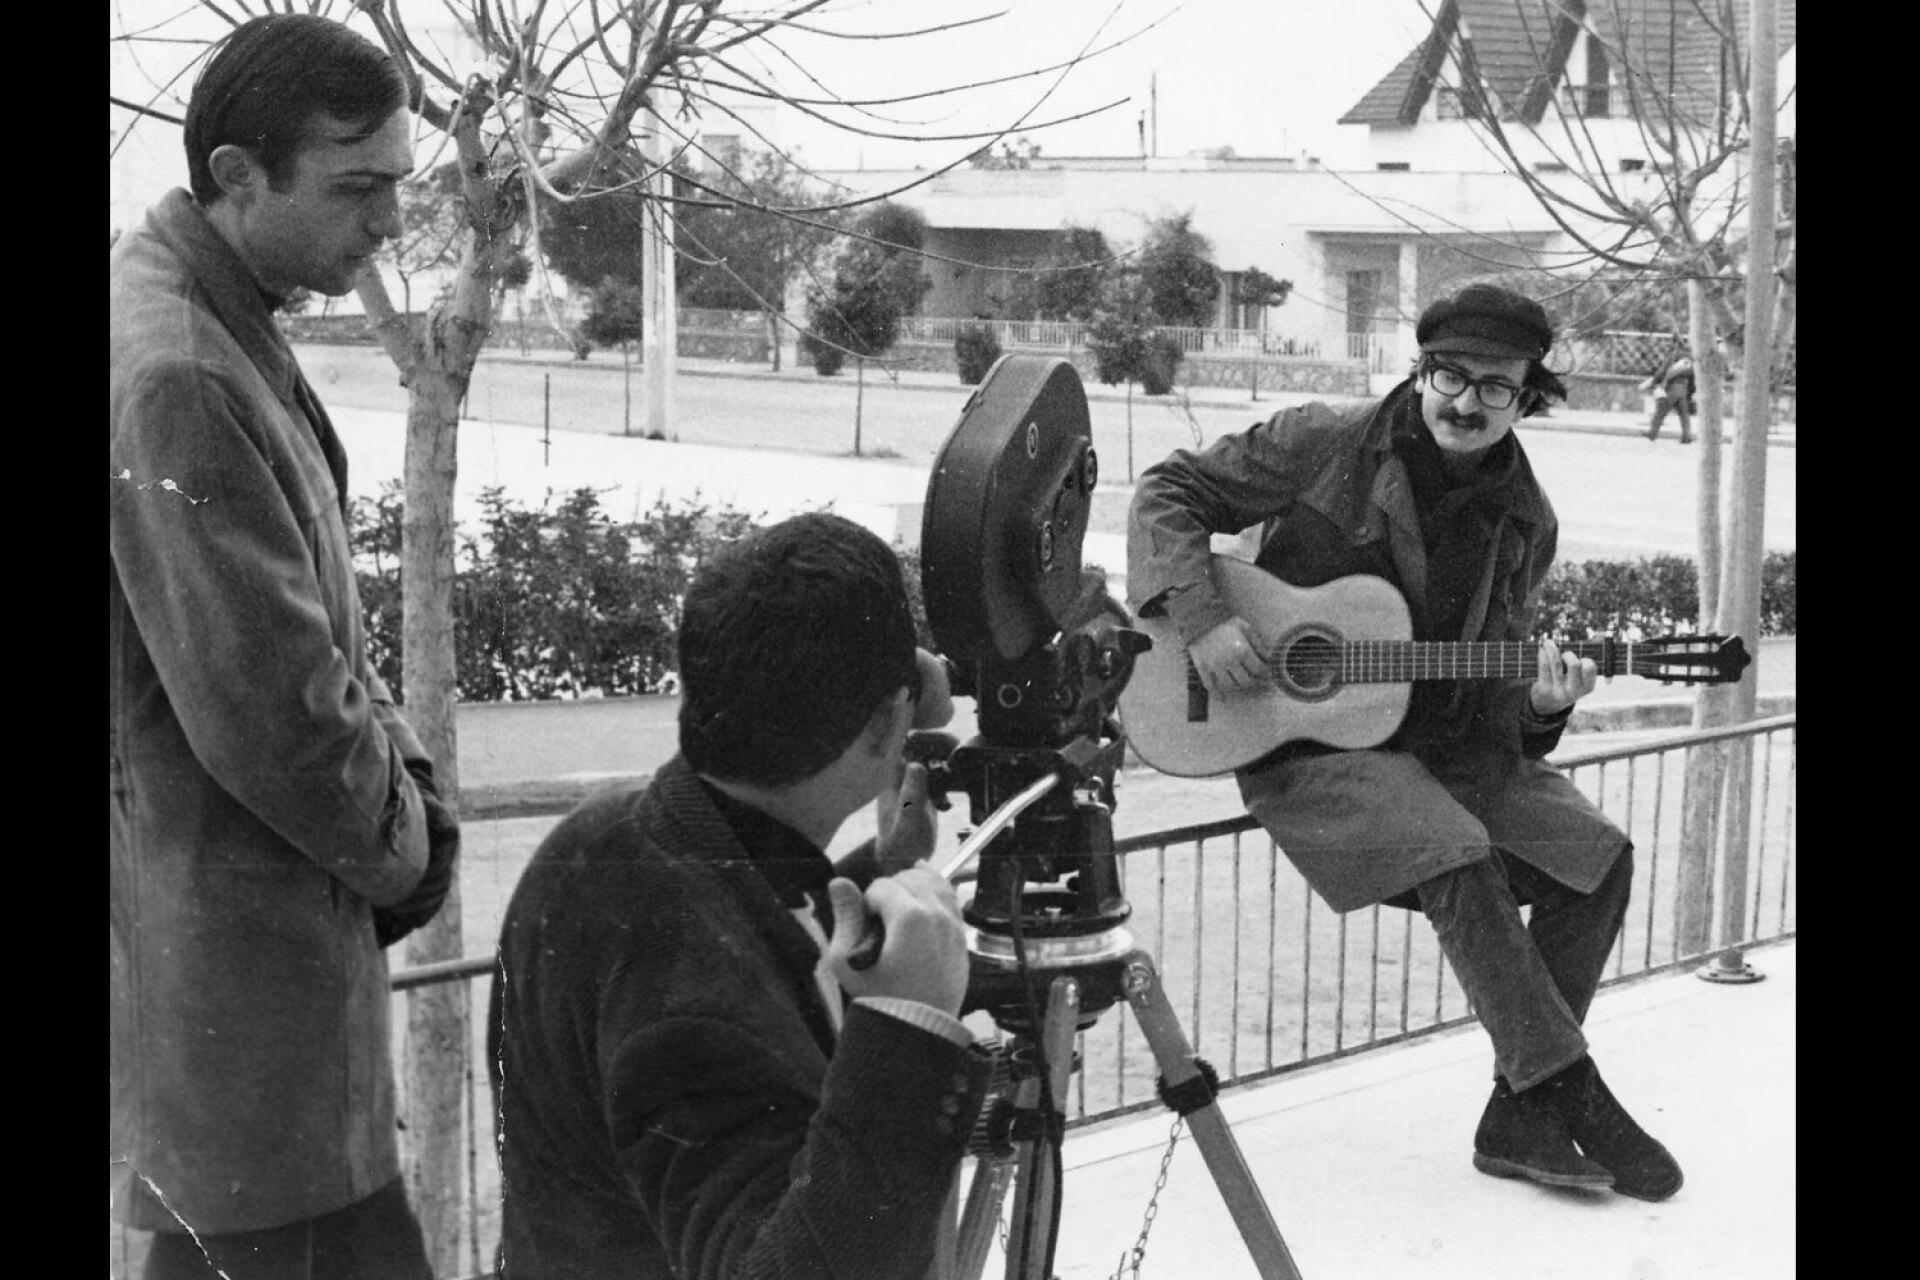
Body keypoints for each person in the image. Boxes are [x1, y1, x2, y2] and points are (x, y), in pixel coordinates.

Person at [1126, 283, 1683, 1202]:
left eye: (1494, 387)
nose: (1463, 403)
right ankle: (1568, 1087)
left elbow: (1502, 706)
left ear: (1527, 397)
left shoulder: (1524, 520)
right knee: (1449, 843)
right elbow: (1167, 492)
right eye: (1447, 375)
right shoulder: (1324, 441)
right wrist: (1207, 615)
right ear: (1419, 369)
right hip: (1302, 749)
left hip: (1443, 750)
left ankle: (1519, 1114)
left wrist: (1543, 708)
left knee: (1597, 860)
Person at [111, 14, 460, 1278]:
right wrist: (414, 844)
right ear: (236, 176)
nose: (386, 226)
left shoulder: (197, 308)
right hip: (242, 1023)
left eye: (398, 189)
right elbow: (280, 714)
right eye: (357, 189)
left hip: (255, 1013)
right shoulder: (182, 373)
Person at [488, 511, 993, 1279]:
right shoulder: (692, 1008)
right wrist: (908, 1029)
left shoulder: (603, 843)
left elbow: (750, 928)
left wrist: (875, 868)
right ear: (893, 718)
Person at [1641, 345, 1698, 443]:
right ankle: (1686, 436)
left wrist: (1654, 383)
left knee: (1661, 411)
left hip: (1671, 388)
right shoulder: (1691, 359)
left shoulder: (1674, 356)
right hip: (1683, 389)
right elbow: (1693, 378)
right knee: (1684, 415)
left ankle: (1652, 433)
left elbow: (1662, 371)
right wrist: (1690, 392)